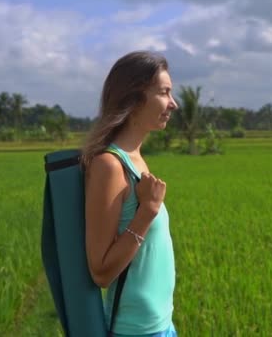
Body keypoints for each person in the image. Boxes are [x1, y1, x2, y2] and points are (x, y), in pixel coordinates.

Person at [80, 51, 179, 336]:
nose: (173, 103)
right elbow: (100, 272)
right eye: (164, 92)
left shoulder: (136, 159)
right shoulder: (109, 166)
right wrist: (147, 211)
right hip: (135, 331)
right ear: (134, 100)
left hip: (160, 324)